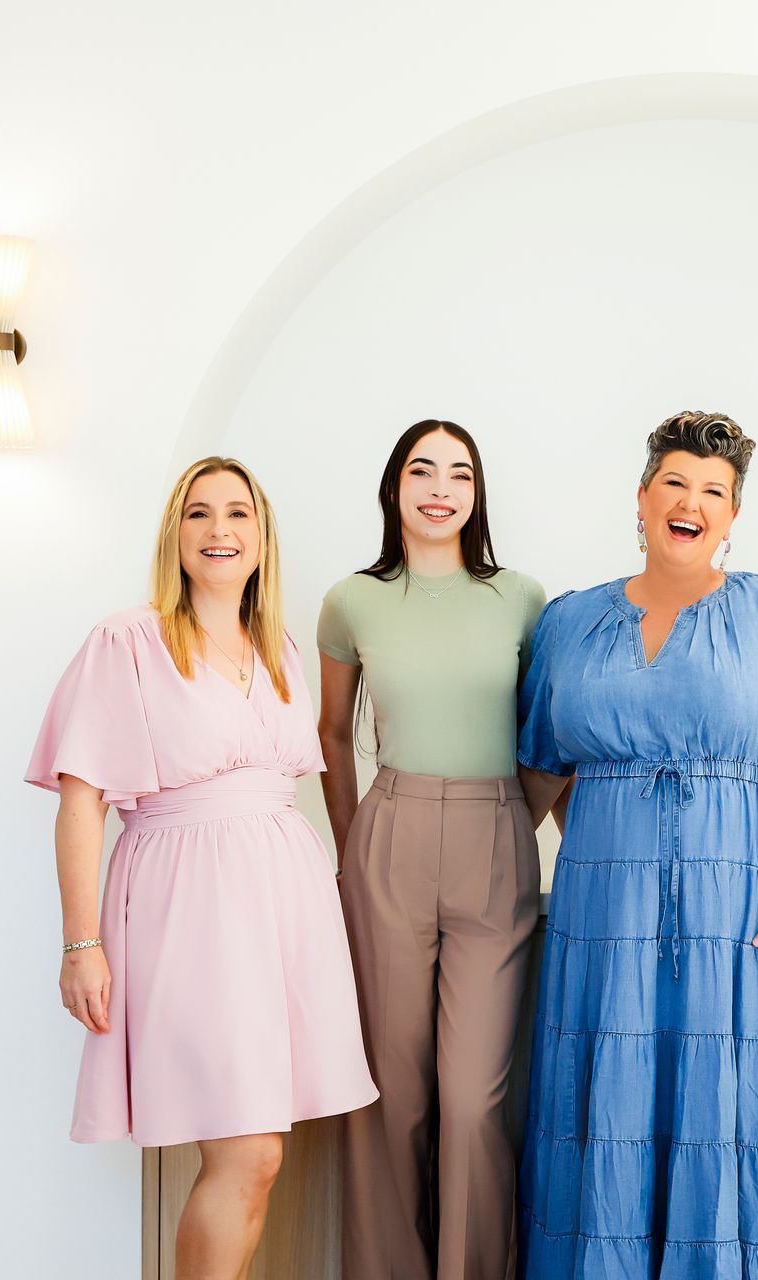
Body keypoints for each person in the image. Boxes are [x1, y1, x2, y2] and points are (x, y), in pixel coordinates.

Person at [515, 411, 758, 1279]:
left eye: (714, 491)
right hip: (604, 929)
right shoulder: (568, 622)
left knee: (752, 1120)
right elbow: (541, 771)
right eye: (675, 483)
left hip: (752, 920)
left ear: (734, 515)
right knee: (610, 1116)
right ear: (641, 500)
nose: (691, 502)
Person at [26, 456, 376, 1279]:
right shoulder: (128, 641)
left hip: (282, 903)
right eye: (199, 514)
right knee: (247, 1152)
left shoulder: (283, 649)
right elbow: (81, 804)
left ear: (262, 536)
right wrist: (81, 945)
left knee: (261, 1154)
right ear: (174, 534)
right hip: (188, 904)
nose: (220, 530)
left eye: (238, 515)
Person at [315, 420, 547, 1280]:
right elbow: (333, 736)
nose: (440, 487)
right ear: (394, 488)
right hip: (388, 838)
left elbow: (546, 738)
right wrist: (351, 849)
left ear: (477, 493)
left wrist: (514, 820)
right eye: (422, 470)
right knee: (389, 1094)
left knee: (474, 1101)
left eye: (459, 473)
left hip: (496, 834)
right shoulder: (351, 600)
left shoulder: (523, 598)